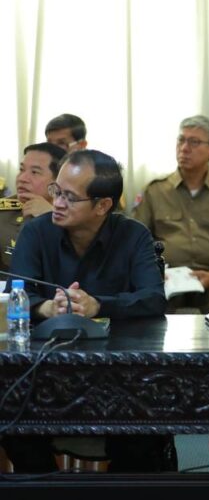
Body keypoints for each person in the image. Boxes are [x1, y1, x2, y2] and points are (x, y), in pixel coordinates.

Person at [2, 149, 170, 473]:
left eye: (69, 197)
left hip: (121, 372)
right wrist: (47, 307)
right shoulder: (36, 232)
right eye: (56, 191)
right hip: (44, 371)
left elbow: (153, 298)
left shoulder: (134, 235)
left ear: (102, 205)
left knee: (146, 430)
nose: (57, 202)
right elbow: (15, 294)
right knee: (12, 418)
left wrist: (99, 305)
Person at [132, 115, 209, 313]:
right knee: (145, 305)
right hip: (165, 279)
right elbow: (136, 240)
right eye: (181, 140)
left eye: (194, 142)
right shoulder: (154, 191)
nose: (184, 148)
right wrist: (155, 272)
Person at [0, 143, 66, 270]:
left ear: (58, 180)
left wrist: (51, 216)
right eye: (21, 170)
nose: (22, 178)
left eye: (34, 172)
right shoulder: (4, 212)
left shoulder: (75, 215)